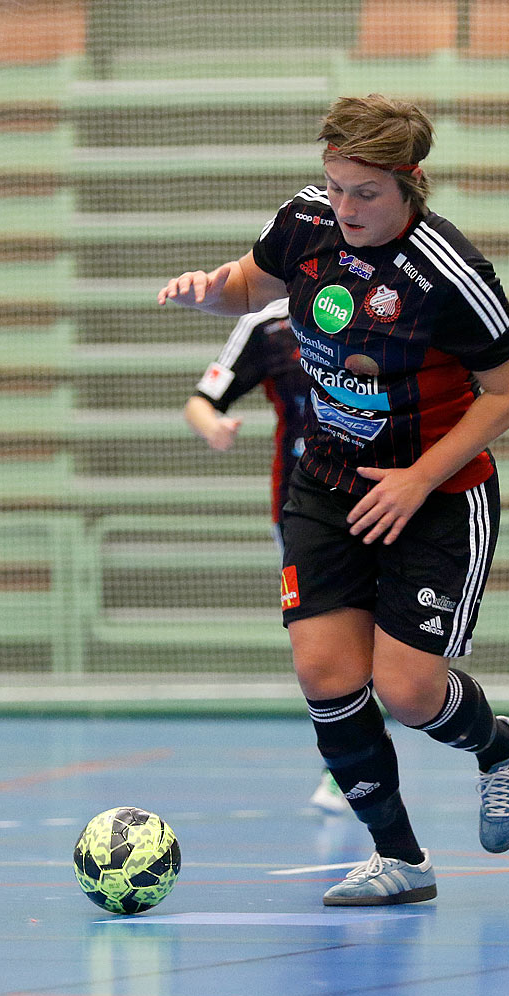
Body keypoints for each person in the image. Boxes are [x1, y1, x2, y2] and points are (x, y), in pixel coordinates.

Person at [159, 94, 509, 906]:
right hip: (326, 481)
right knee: (325, 674)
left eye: (365, 192)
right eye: (336, 187)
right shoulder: (304, 222)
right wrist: (206, 291)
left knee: (406, 690)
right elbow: (245, 286)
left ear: (412, 183)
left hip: (434, 494)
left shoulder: (450, 273)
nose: (346, 207)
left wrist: (420, 478)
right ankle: (400, 858)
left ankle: (499, 746)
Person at [184, 298, 349, 813]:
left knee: (387, 652)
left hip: (386, 497)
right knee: (326, 643)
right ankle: (344, 769)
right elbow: (202, 399)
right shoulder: (266, 325)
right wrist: (212, 425)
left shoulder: (384, 296)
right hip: (302, 507)